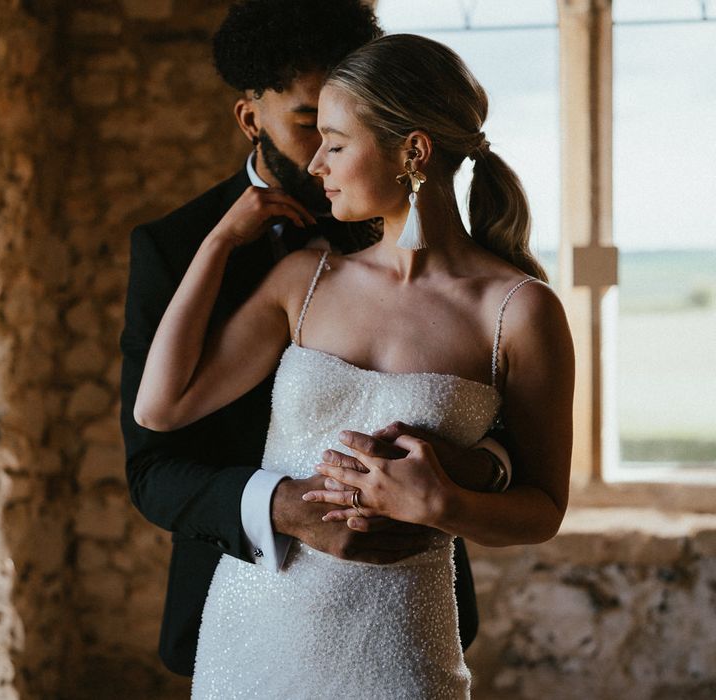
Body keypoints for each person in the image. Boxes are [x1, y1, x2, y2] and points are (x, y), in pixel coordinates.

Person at [134, 32, 574, 699]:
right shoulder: (302, 280)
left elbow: (542, 508)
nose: (315, 166)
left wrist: (449, 503)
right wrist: (220, 241)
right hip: (251, 630)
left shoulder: (520, 310)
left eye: (336, 144)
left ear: (413, 152)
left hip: (400, 646)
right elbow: (159, 409)